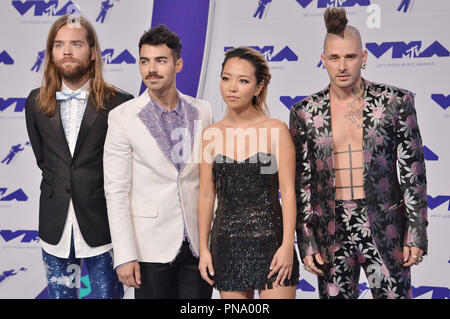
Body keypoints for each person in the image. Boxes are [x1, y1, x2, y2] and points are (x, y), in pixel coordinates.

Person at [289, 8, 428, 299]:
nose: (342, 66)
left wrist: (415, 232)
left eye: (350, 57)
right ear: (323, 58)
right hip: (331, 228)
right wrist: (306, 240)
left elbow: (413, 172)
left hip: (385, 223)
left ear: (363, 58)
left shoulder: (395, 102)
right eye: (335, 57)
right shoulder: (304, 112)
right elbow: (303, 182)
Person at [24, 14, 133, 299]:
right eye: (59, 45)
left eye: (76, 44)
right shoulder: (35, 102)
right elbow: (43, 159)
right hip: (54, 224)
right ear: (51, 53)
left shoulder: (120, 104)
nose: (67, 51)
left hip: (103, 226)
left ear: (93, 52)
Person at [103, 25, 213, 299]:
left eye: (160, 61)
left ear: (178, 64)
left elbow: (209, 181)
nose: (151, 69)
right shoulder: (122, 117)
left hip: (198, 246)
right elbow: (115, 191)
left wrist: (212, 242)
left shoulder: (203, 110)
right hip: (149, 247)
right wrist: (124, 255)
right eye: (144, 61)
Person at [198, 47, 300, 299]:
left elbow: (288, 192)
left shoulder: (275, 130)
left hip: (272, 245)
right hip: (226, 245)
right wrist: (203, 249)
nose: (231, 87)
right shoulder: (210, 135)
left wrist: (288, 246)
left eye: (242, 81)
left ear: (258, 87)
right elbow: (205, 196)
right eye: (226, 78)